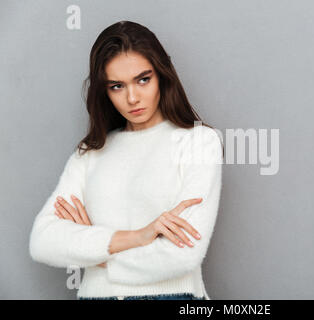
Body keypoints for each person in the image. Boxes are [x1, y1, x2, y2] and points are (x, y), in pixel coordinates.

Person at [29, 21, 224, 300]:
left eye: (143, 79)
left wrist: (96, 252)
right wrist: (140, 236)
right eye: (117, 86)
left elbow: (183, 254)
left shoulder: (199, 142)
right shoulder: (90, 153)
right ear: (104, 92)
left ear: (162, 75)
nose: (132, 98)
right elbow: (43, 240)